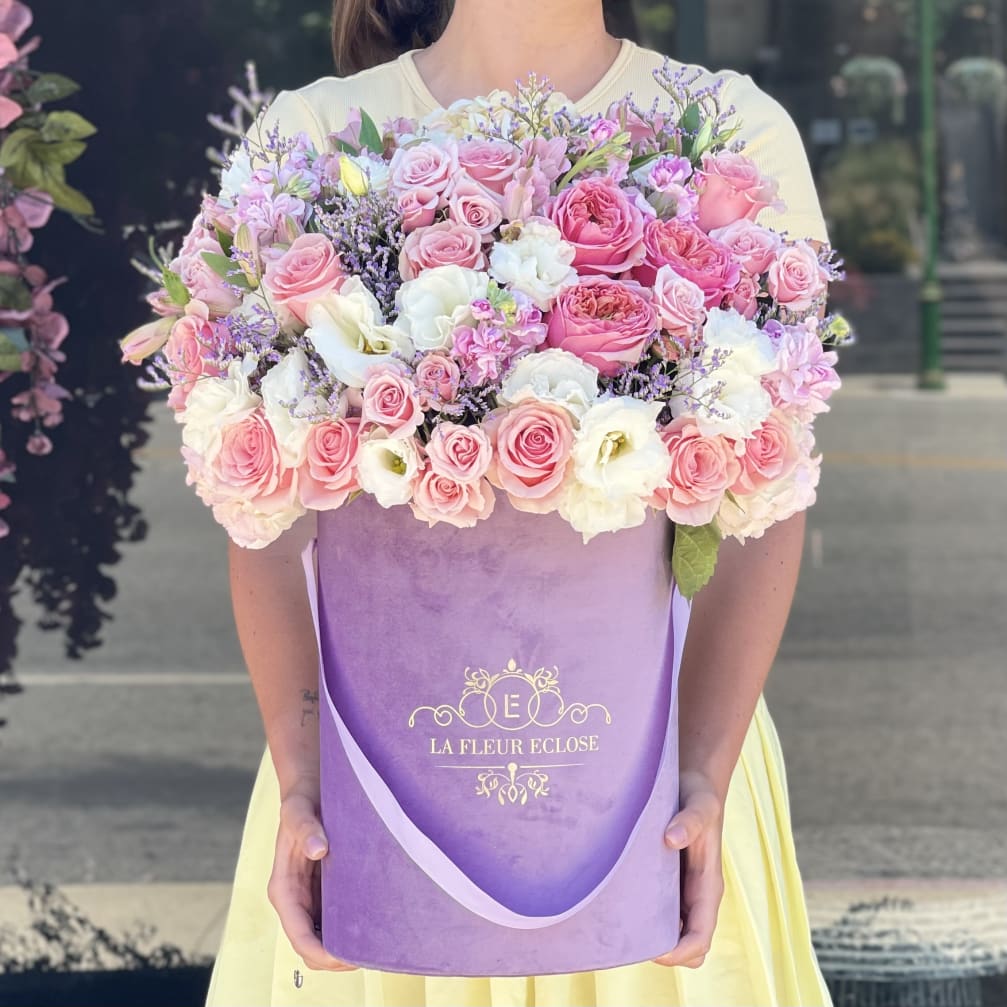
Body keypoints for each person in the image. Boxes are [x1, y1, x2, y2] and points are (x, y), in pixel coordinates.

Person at [205, 2, 834, 1004]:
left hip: (652, 773)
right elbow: (264, 512)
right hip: (375, 781)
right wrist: (300, 774)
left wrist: (704, 772)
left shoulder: (729, 133)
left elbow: (763, 495)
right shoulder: (309, 137)